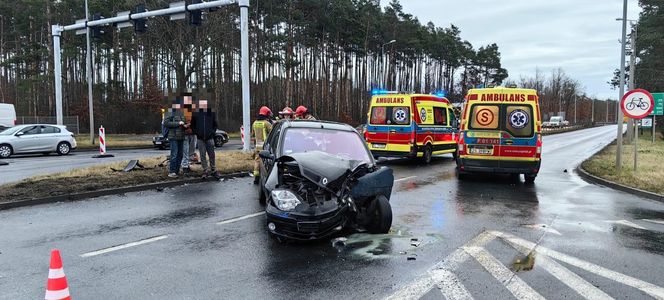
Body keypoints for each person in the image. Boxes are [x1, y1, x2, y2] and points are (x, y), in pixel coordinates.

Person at [191, 100, 220, 179]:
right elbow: (192, 125)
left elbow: (215, 125)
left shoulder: (211, 113)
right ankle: (205, 170)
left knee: (211, 154)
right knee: (202, 155)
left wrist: (212, 133)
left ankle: (213, 170)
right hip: (200, 138)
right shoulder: (196, 114)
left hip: (209, 138)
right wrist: (196, 132)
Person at [163, 101, 186, 178]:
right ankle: (172, 172)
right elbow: (165, 123)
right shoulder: (170, 111)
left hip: (181, 136)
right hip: (173, 137)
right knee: (174, 155)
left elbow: (183, 122)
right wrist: (178, 123)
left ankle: (177, 171)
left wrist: (185, 125)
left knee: (180, 155)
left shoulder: (182, 112)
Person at [252, 106, 273, 184]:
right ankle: (267, 177)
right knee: (267, 162)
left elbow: (253, 134)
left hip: (257, 146)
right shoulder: (266, 123)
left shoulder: (254, 123)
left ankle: (256, 178)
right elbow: (272, 133)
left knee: (257, 161)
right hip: (265, 146)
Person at [181, 95, 198, 174]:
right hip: (185, 133)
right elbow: (180, 121)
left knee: (192, 150)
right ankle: (184, 166)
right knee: (185, 150)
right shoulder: (182, 111)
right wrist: (184, 125)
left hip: (193, 133)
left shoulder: (194, 110)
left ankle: (188, 165)